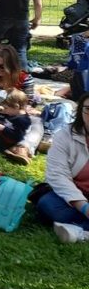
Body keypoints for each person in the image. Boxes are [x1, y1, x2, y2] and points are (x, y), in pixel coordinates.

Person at [37, 93, 89, 242]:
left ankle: (81, 233)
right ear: (81, 111)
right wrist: (84, 207)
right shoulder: (64, 136)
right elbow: (57, 176)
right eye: (88, 109)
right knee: (48, 204)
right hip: (73, 195)